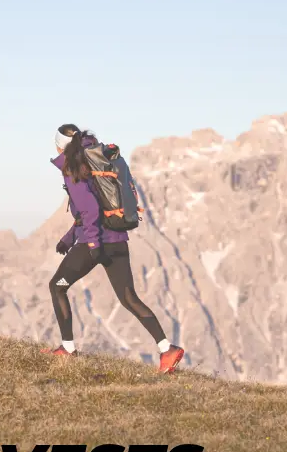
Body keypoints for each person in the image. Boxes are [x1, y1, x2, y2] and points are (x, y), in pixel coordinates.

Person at [42, 124, 185, 374]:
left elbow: (90, 210)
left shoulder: (72, 166)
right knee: (129, 297)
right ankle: (167, 349)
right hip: (117, 239)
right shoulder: (97, 159)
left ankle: (68, 349)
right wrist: (69, 237)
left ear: (59, 146)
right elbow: (91, 208)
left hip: (96, 241)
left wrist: (93, 244)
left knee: (58, 286)